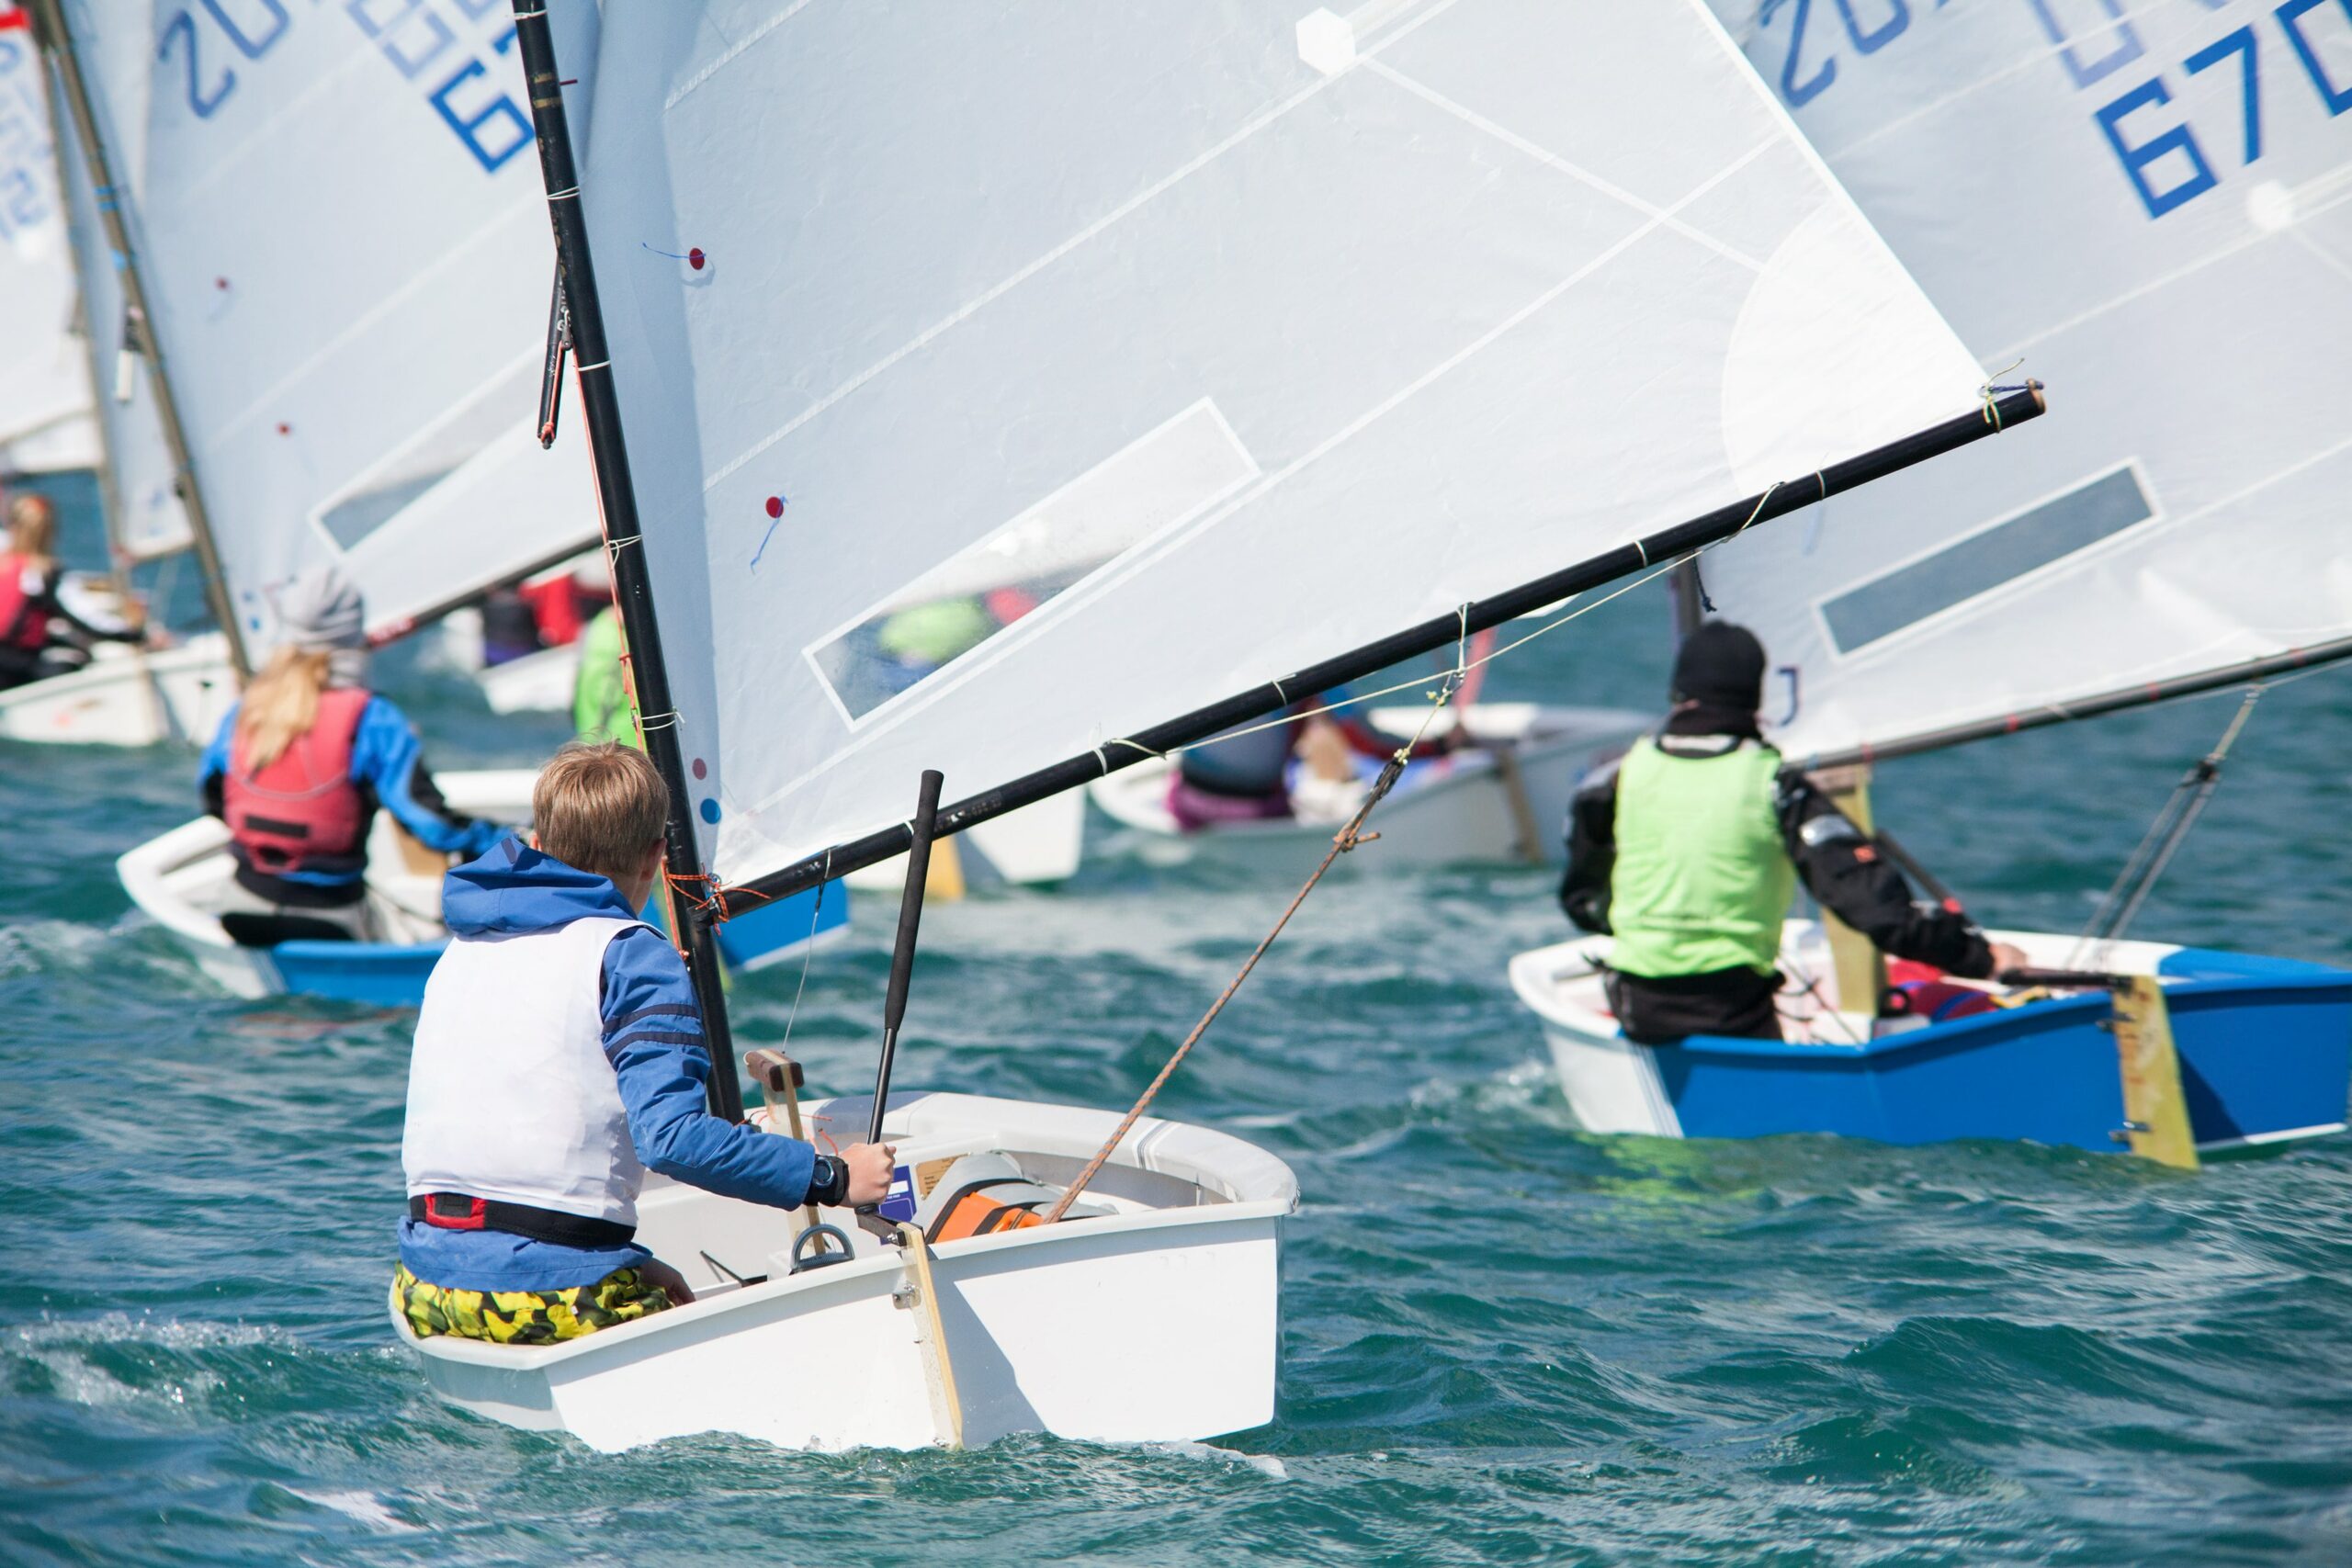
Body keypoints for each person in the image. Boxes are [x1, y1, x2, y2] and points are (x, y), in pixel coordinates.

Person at [392, 742, 898, 1345]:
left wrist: (623, 1257)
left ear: (535, 840)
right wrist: (834, 1178)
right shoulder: (630, 953)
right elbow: (673, 1140)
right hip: (547, 1296)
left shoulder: (460, 949)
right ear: (658, 856)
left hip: (425, 1285)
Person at [1559, 621, 2025, 1044]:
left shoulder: (1620, 776)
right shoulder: (1776, 786)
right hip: (1732, 1010)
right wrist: (1982, 960)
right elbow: (1879, 912)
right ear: (1755, 699)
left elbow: (1581, 899)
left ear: (1678, 692)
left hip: (1640, 1007)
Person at [198, 565, 504, 944]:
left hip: (242, 906)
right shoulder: (373, 717)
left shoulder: (247, 706)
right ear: (354, 631)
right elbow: (429, 824)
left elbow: (213, 796)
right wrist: (499, 838)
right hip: (329, 914)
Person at [0, 492, 147, 690]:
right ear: (51, 531)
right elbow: (90, 622)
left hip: (9, 662)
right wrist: (135, 634)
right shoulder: (43, 573)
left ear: (13, 526)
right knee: (72, 664)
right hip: (17, 662)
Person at [571, 602, 637, 747]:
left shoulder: (595, 627)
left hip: (593, 740)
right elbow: (606, 694)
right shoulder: (622, 637)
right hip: (622, 744)